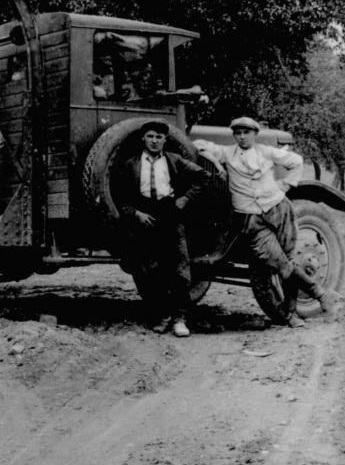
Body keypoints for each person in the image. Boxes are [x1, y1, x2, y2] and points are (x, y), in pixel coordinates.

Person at [193, 116, 342, 327]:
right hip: (252, 219)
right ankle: (320, 293)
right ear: (234, 136)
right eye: (238, 133)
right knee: (280, 263)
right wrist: (205, 151)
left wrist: (286, 185)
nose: (243, 137)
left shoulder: (266, 152)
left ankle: (291, 313)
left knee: (290, 258)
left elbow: (296, 161)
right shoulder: (228, 153)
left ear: (255, 134)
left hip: (279, 209)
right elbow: (199, 145)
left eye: (247, 132)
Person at [114, 120, 209, 337]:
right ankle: (162, 315)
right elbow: (120, 196)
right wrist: (136, 213)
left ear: (166, 140)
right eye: (150, 136)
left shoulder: (174, 161)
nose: (154, 141)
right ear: (143, 139)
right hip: (145, 217)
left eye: (159, 137)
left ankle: (180, 319)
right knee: (149, 270)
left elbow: (203, 177)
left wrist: (185, 199)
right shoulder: (131, 165)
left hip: (170, 215)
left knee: (179, 269)